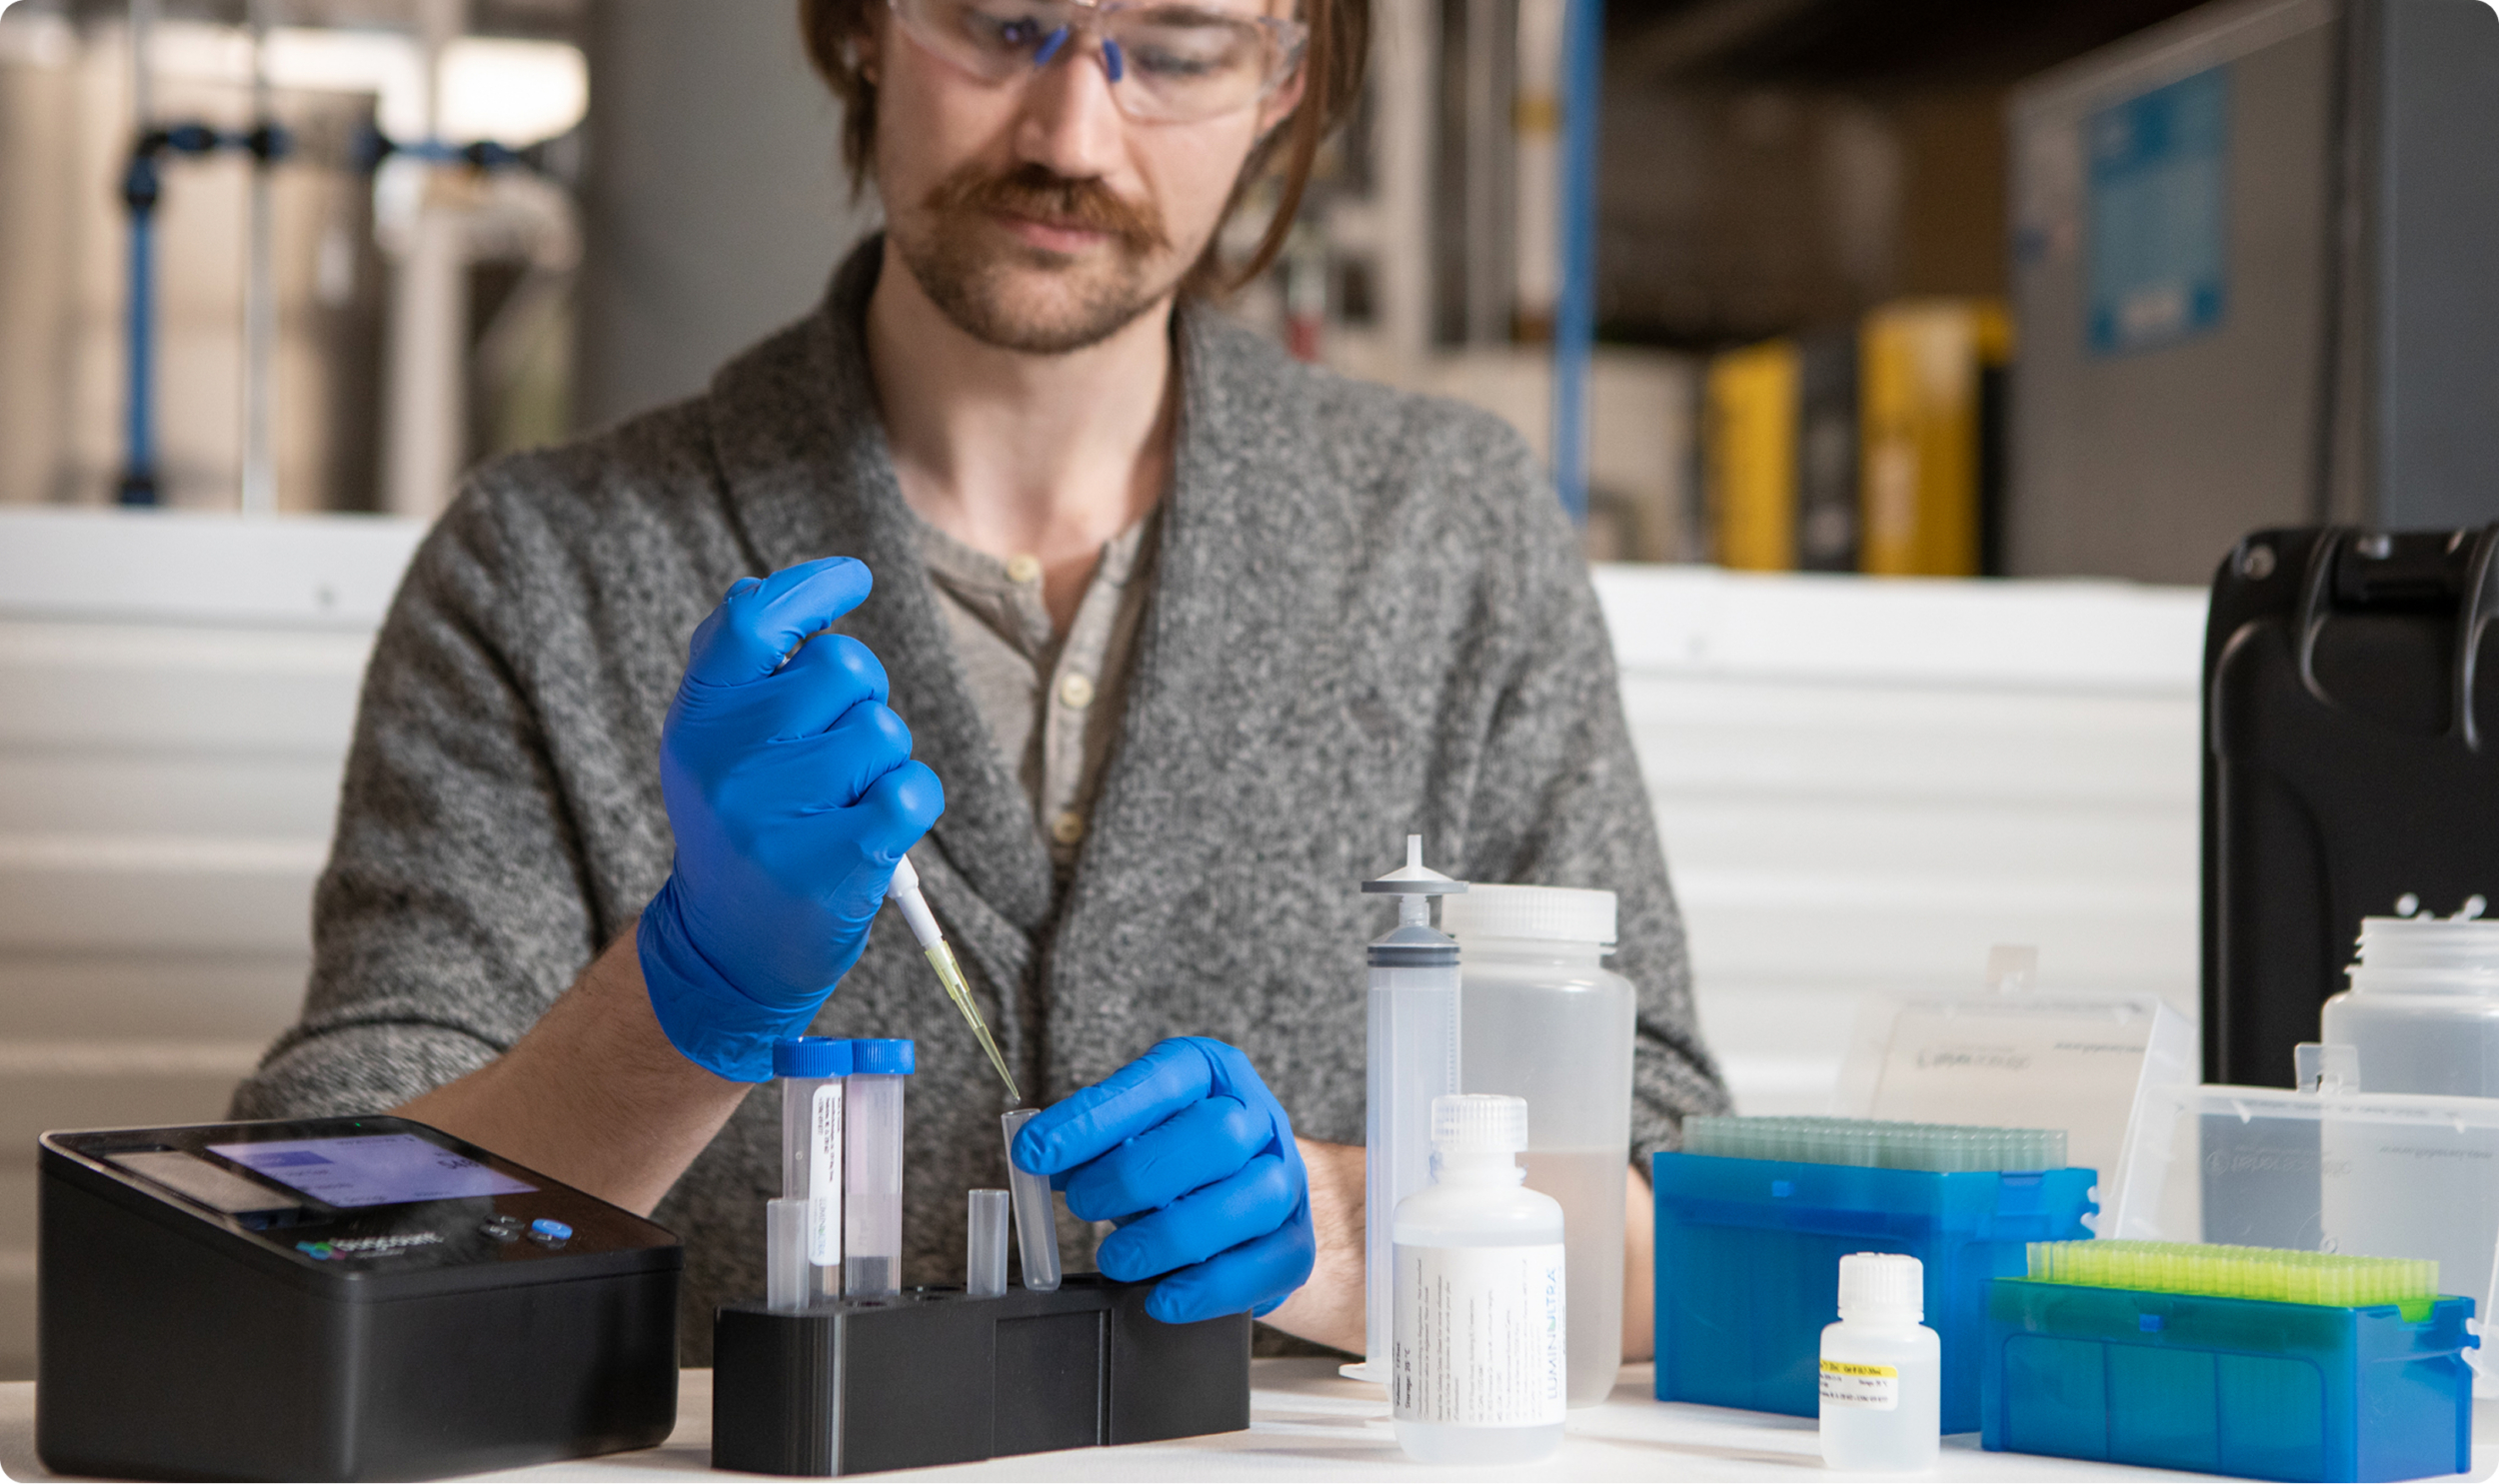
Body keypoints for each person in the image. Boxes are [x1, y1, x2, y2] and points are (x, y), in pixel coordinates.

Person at [231, 0, 1726, 1358]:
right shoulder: (543, 568)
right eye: (1003, 25)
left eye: (1185, 46)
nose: (1070, 135)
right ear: (862, 24)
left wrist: (1347, 1227)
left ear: (1284, 78)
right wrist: (688, 999)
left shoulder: (1449, 539)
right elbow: (307, 1233)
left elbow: (1691, 1212)